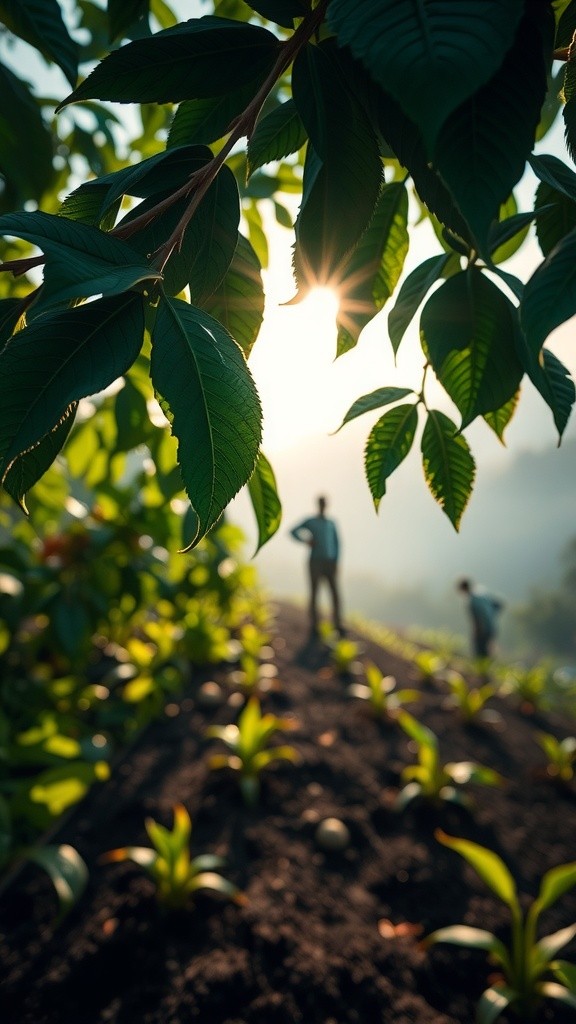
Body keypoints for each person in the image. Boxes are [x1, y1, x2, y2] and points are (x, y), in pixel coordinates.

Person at [290, 495, 344, 639]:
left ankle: (337, 624)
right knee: (315, 592)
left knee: (335, 593)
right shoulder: (311, 521)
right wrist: (306, 540)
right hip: (315, 562)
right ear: (318, 505)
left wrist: (336, 561)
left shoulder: (331, 523)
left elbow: (337, 543)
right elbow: (293, 531)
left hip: (329, 562)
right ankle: (315, 626)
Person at [456, 577, 504, 660]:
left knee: (480, 652)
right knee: (488, 649)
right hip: (491, 627)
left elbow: (477, 621)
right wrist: (491, 618)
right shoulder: (482, 592)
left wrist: (476, 633)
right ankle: (488, 667)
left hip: (483, 629)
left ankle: (482, 669)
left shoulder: (472, 601)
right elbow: (499, 605)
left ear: (463, 589)